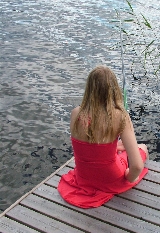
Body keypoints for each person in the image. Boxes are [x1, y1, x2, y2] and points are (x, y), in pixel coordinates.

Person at [57, 65, 148, 208]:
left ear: (89, 88)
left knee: (119, 148)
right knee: (142, 147)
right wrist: (130, 177)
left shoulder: (76, 113)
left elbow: (90, 147)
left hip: (83, 178)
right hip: (111, 178)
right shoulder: (121, 116)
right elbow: (136, 166)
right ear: (113, 89)